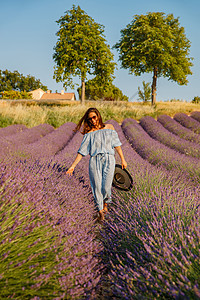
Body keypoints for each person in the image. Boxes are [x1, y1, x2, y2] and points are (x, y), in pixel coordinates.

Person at [66, 107, 127, 222]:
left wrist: (123, 159)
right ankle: (100, 212)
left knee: (106, 186)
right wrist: (73, 166)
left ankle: (105, 206)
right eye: (90, 119)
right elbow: (82, 152)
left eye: (94, 117)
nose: (93, 121)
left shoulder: (110, 127)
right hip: (95, 160)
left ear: (98, 116)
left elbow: (117, 145)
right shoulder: (89, 134)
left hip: (109, 159)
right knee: (96, 187)